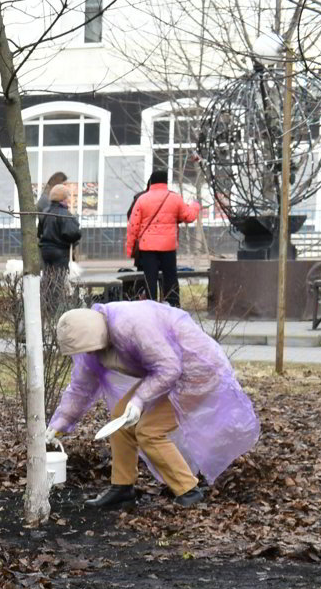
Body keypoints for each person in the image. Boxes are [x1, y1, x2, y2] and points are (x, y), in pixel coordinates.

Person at [46, 302, 260, 510]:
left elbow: (169, 367)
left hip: (197, 372)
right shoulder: (92, 345)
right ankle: (122, 488)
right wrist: (60, 423)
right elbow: (81, 387)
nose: (91, 355)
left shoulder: (132, 325)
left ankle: (189, 490)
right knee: (120, 417)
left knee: (149, 431)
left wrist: (139, 400)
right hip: (166, 375)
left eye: (91, 349)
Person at [124, 169, 199, 308]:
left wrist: (130, 249)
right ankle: (173, 306)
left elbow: (133, 226)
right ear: (165, 182)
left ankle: (151, 308)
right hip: (168, 247)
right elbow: (188, 217)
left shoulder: (142, 199)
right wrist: (195, 206)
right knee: (170, 278)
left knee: (149, 280)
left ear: (151, 182)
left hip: (148, 248)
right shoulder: (174, 198)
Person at [36, 184, 81, 270]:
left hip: (45, 251)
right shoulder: (65, 214)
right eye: (67, 196)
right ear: (63, 198)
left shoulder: (45, 212)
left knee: (48, 274)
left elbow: (39, 232)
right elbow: (72, 233)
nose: (69, 199)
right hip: (60, 251)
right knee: (60, 275)